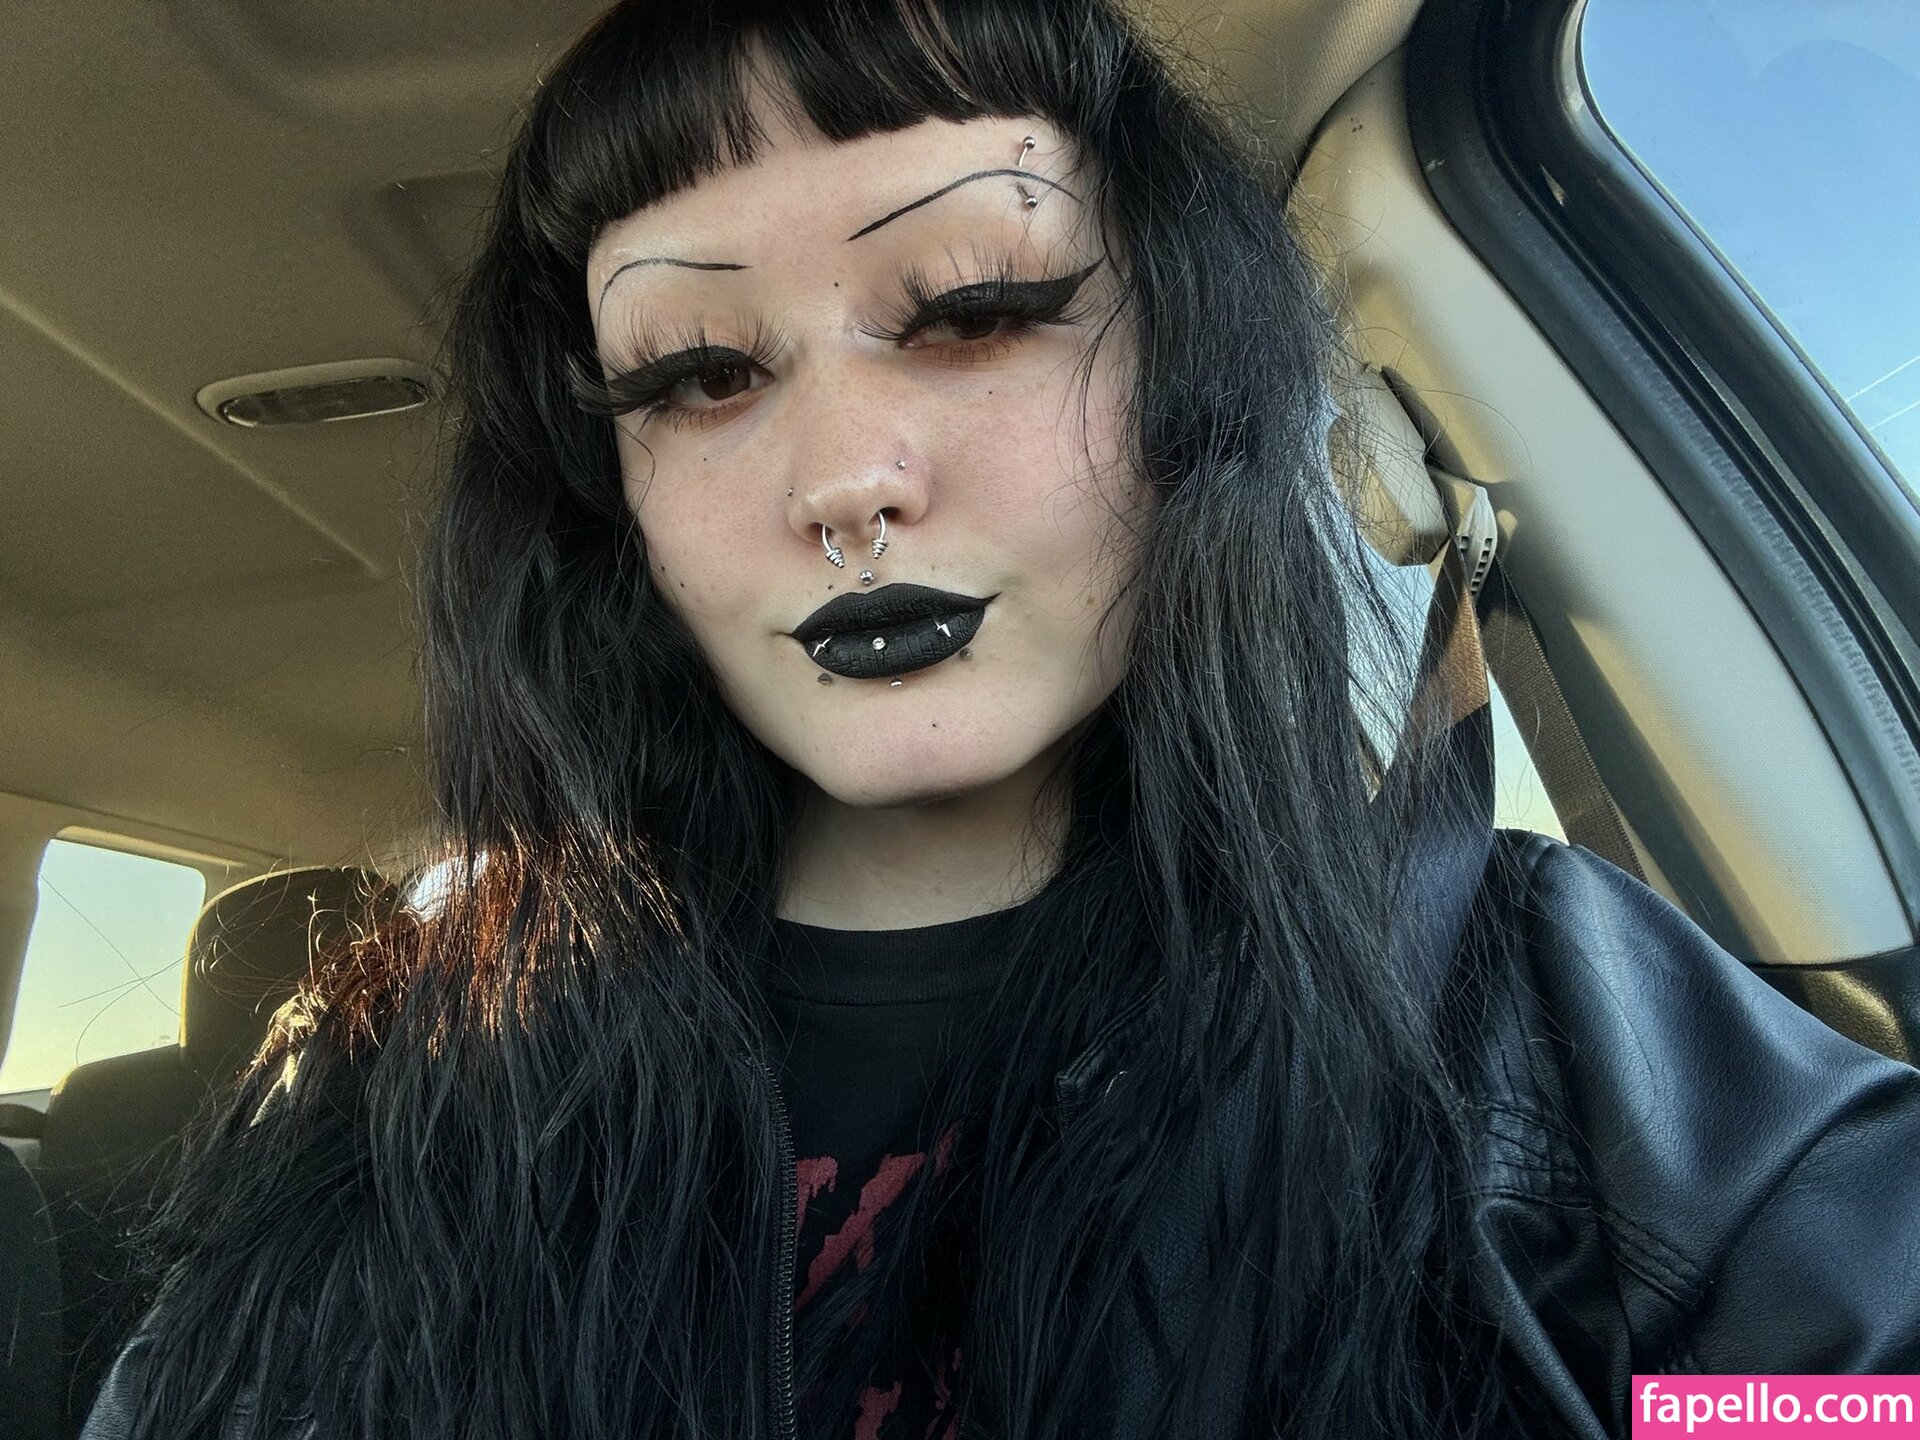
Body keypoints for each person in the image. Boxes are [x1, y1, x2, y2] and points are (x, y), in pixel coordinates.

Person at [75, 1, 1920, 1437]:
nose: (843, 481)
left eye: (975, 308)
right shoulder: (393, 1089)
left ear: (1185, 367)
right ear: (605, 492)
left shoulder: (1545, 1025)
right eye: (698, 374)